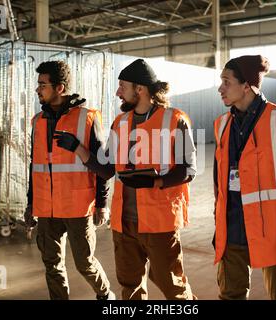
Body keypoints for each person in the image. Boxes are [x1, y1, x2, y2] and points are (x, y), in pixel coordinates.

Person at [74, 59, 197, 300]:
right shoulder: (119, 123)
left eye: (122, 86)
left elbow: (188, 170)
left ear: (139, 89)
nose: (118, 92)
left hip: (159, 222)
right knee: (130, 287)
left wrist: (154, 183)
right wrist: (79, 150)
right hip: (124, 223)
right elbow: (108, 169)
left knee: (171, 285)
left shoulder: (175, 120)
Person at [213, 55, 276, 300]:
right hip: (233, 231)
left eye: (226, 81)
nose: (220, 88)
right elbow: (219, 185)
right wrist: (219, 226)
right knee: (230, 296)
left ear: (246, 85)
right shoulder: (221, 125)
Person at [23, 60, 114, 300]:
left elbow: (103, 166)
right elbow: (36, 166)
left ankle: (105, 296)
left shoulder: (87, 118)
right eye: (38, 84)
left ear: (59, 88)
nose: (38, 89)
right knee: (52, 264)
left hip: (77, 208)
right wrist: (31, 203)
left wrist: (102, 204)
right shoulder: (37, 121)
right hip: (46, 208)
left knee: (85, 263)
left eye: (43, 84)